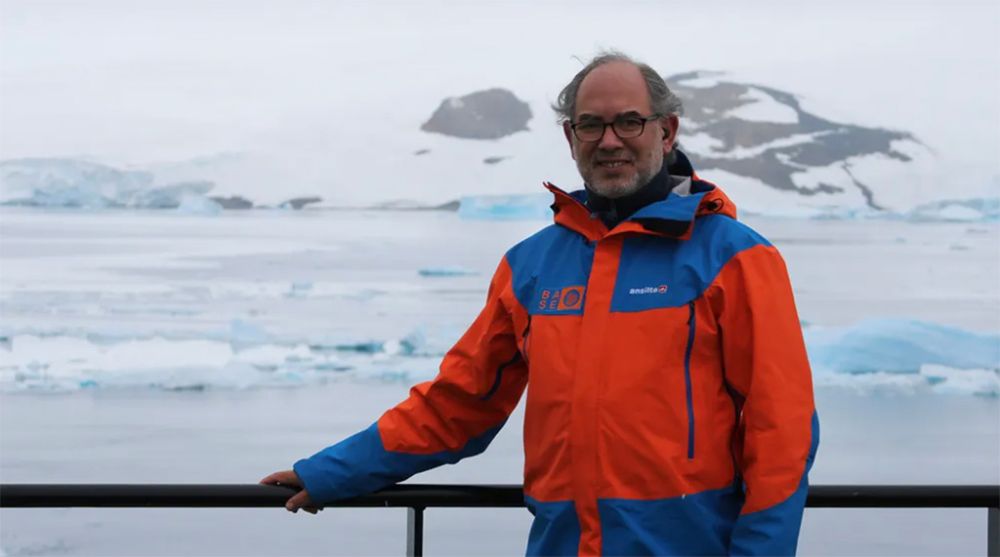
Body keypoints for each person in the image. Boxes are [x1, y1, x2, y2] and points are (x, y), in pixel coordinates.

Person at [261, 51, 819, 556]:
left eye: (629, 121)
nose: (609, 141)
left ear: (666, 131)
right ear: (570, 136)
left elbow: (781, 427)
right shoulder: (531, 266)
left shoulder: (733, 258)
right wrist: (335, 471)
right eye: (591, 125)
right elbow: (459, 404)